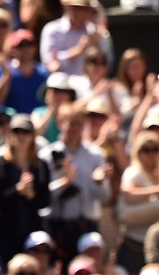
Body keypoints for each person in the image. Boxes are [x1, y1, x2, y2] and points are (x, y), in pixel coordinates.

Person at [39, 103, 112, 265]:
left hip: (86, 228)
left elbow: (105, 198)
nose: (75, 128)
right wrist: (64, 184)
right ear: (60, 123)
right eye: (71, 123)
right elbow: (41, 198)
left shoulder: (96, 156)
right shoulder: (47, 155)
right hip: (56, 228)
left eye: (79, 123)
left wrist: (98, 182)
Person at [0, 114, 51, 262]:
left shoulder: (41, 166)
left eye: (25, 132)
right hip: (5, 234)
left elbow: (45, 202)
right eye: (16, 131)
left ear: (33, 136)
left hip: (32, 235)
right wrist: (18, 190)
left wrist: (31, 194)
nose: (20, 136)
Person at [118, 131, 159, 275]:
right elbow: (128, 194)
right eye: (146, 149)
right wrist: (158, 189)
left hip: (154, 242)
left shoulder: (158, 173)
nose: (151, 153)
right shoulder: (134, 172)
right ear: (138, 152)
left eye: (155, 149)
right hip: (134, 242)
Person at [0, 29, 49, 114]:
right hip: (11, 120)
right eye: (21, 45)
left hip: (37, 119)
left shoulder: (43, 72)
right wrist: (7, 75)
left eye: (29, 44)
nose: (25, 49)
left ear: (35, 47)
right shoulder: (1, 69)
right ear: (12, 49)